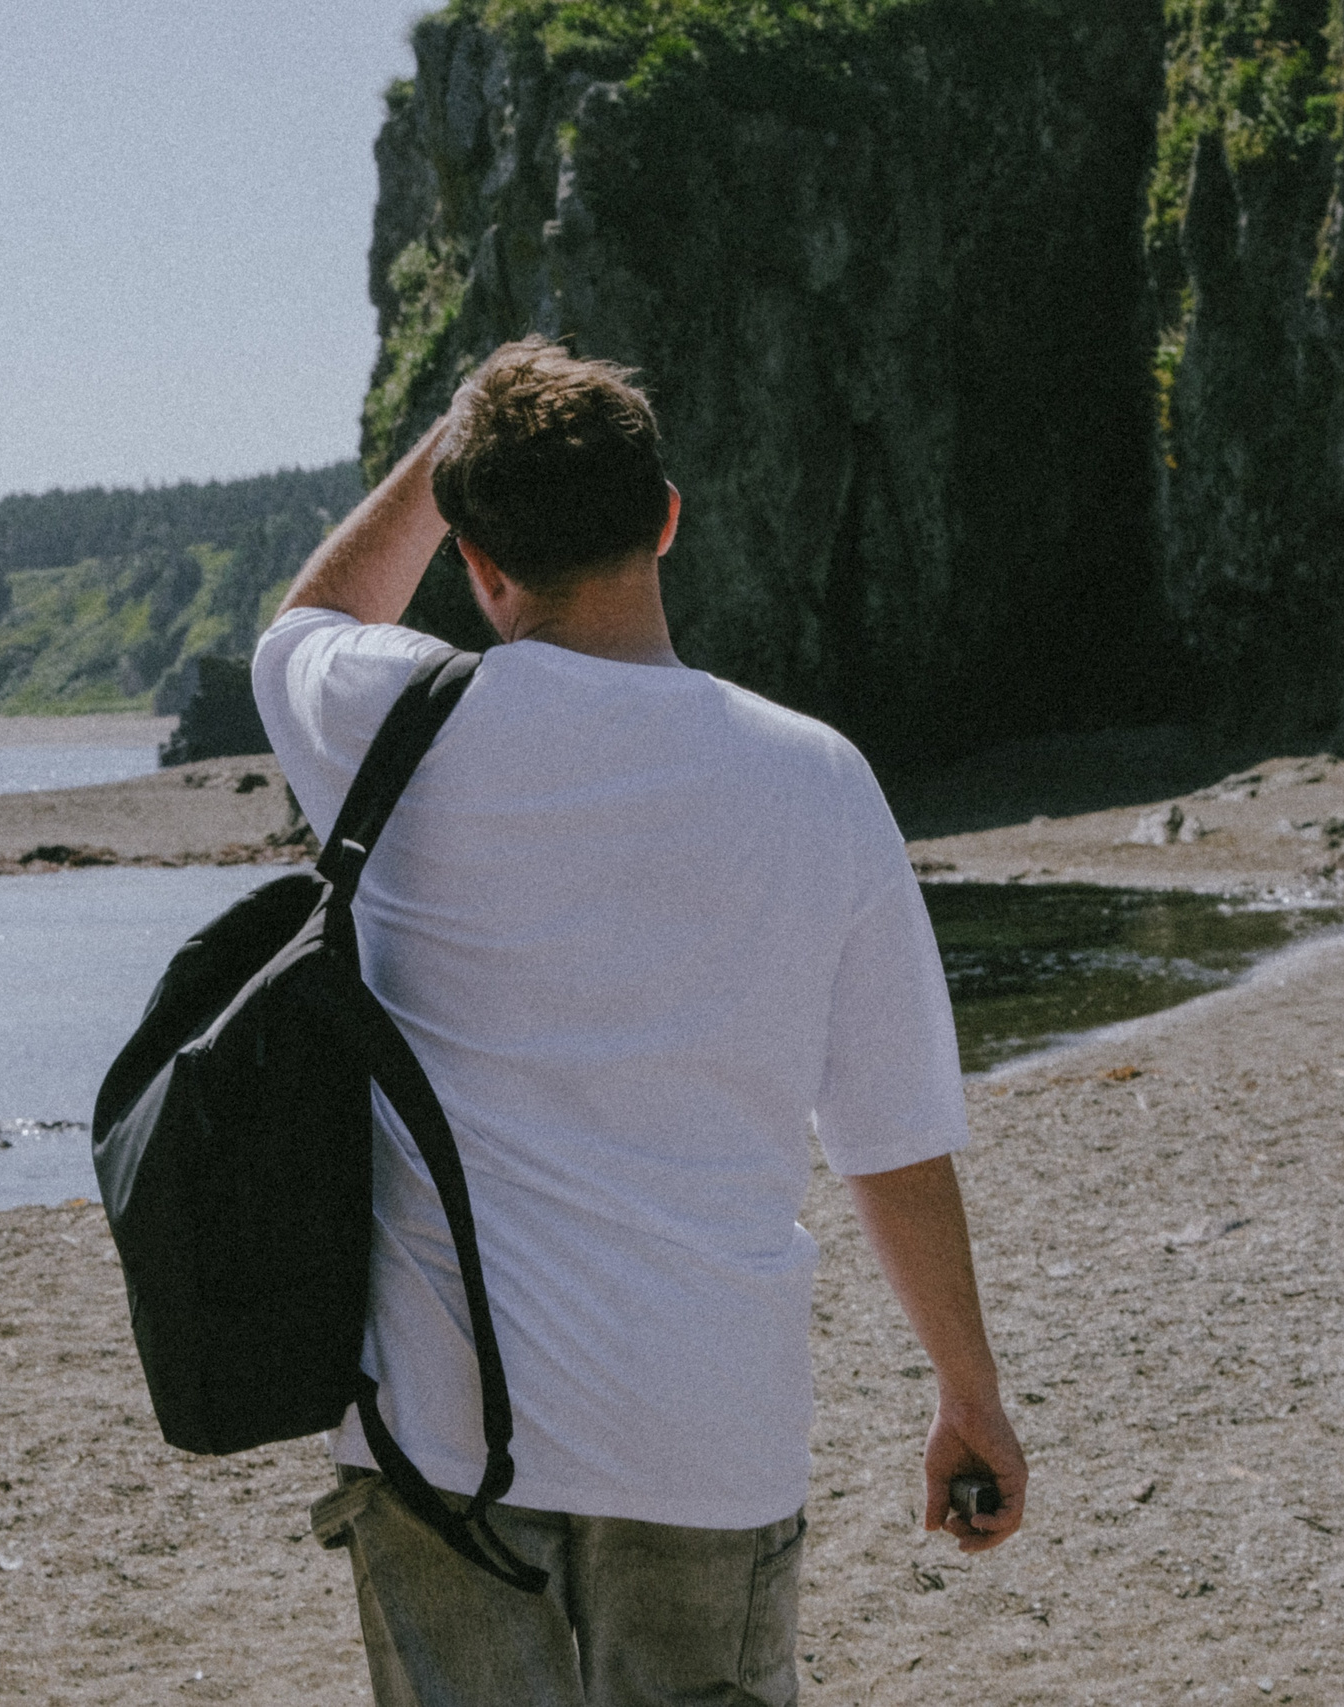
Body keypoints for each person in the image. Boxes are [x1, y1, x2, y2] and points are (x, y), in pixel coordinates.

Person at [254, 337, 1024, 1707]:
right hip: (704, 1430)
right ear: (667, 518)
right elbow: (891, 1139)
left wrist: (451, 452)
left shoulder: (395, 726)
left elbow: (304, 624)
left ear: (480, 564)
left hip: (442, 1429)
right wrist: (968, 1392)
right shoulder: (819, 780)